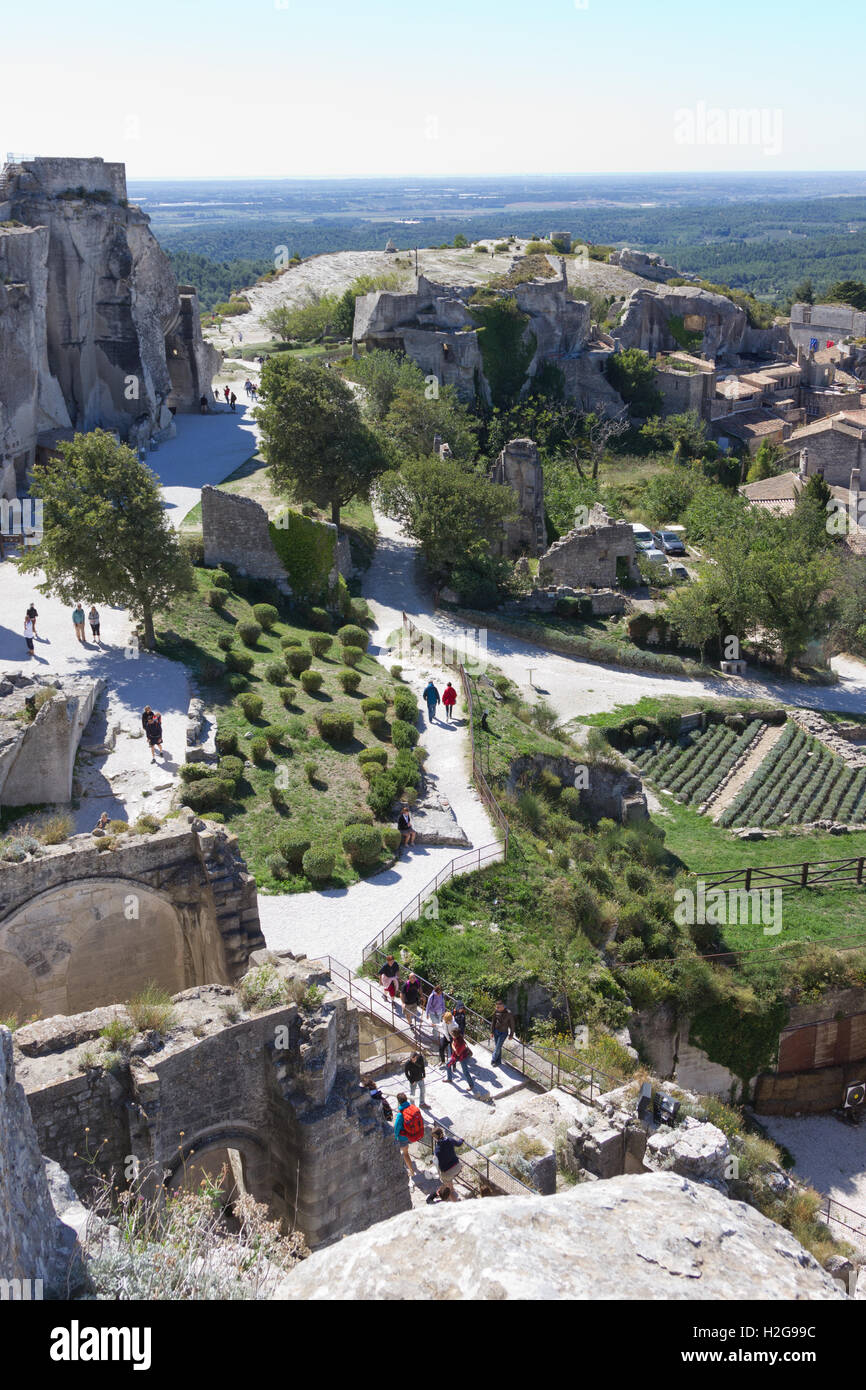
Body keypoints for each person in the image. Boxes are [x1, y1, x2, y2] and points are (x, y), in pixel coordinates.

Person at [393, 1093, 422, 1178]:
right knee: (406, 1150)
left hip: (404, 1137)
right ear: (406, 1099)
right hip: (413, 1135)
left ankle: (412, 1172)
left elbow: (396, 1128)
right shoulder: (413, 1108)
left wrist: (395, 1139)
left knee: (405, 1153)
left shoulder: (400, 1114)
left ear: (399, 1102)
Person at [431, 1125, 463, 1198]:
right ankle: (450, 1187)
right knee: (448, 1176)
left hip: (448, 1172)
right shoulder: (450, 1140)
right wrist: (462, 1139)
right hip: (458, 1166)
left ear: (435, 1138)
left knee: (445, 1180)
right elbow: (459, 1144)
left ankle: (451, 1193)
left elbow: (438, 1164)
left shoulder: (437, 1150)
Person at [490, 1000, 517, 1067]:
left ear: (502, 1006)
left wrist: (511, 1034)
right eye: (496, 1007)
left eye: (498, 1007)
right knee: (498, 1047)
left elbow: (512, 1025)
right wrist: (492, 1031)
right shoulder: (496, 1011)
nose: (497, 1008)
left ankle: (493, 1060)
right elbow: (493, 1022)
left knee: (497, 1047)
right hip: (496, 1031)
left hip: (503, 1033)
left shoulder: (509, 1013)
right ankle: (498, 1061)